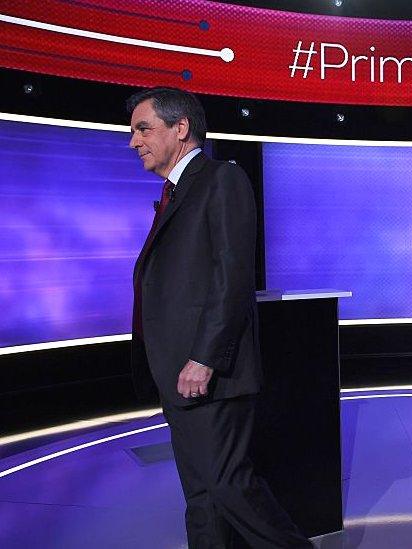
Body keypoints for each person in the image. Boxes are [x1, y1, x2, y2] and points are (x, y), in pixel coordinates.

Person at [127, 87, 310, 548]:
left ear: (181, 128)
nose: (134, 141)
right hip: (177, 374)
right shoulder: (175, 193)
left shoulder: (221, 180)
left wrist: (204, 358)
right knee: (203, 497)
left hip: (209, 374)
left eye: (143, 128)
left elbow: (232, 277)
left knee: (231, 487)